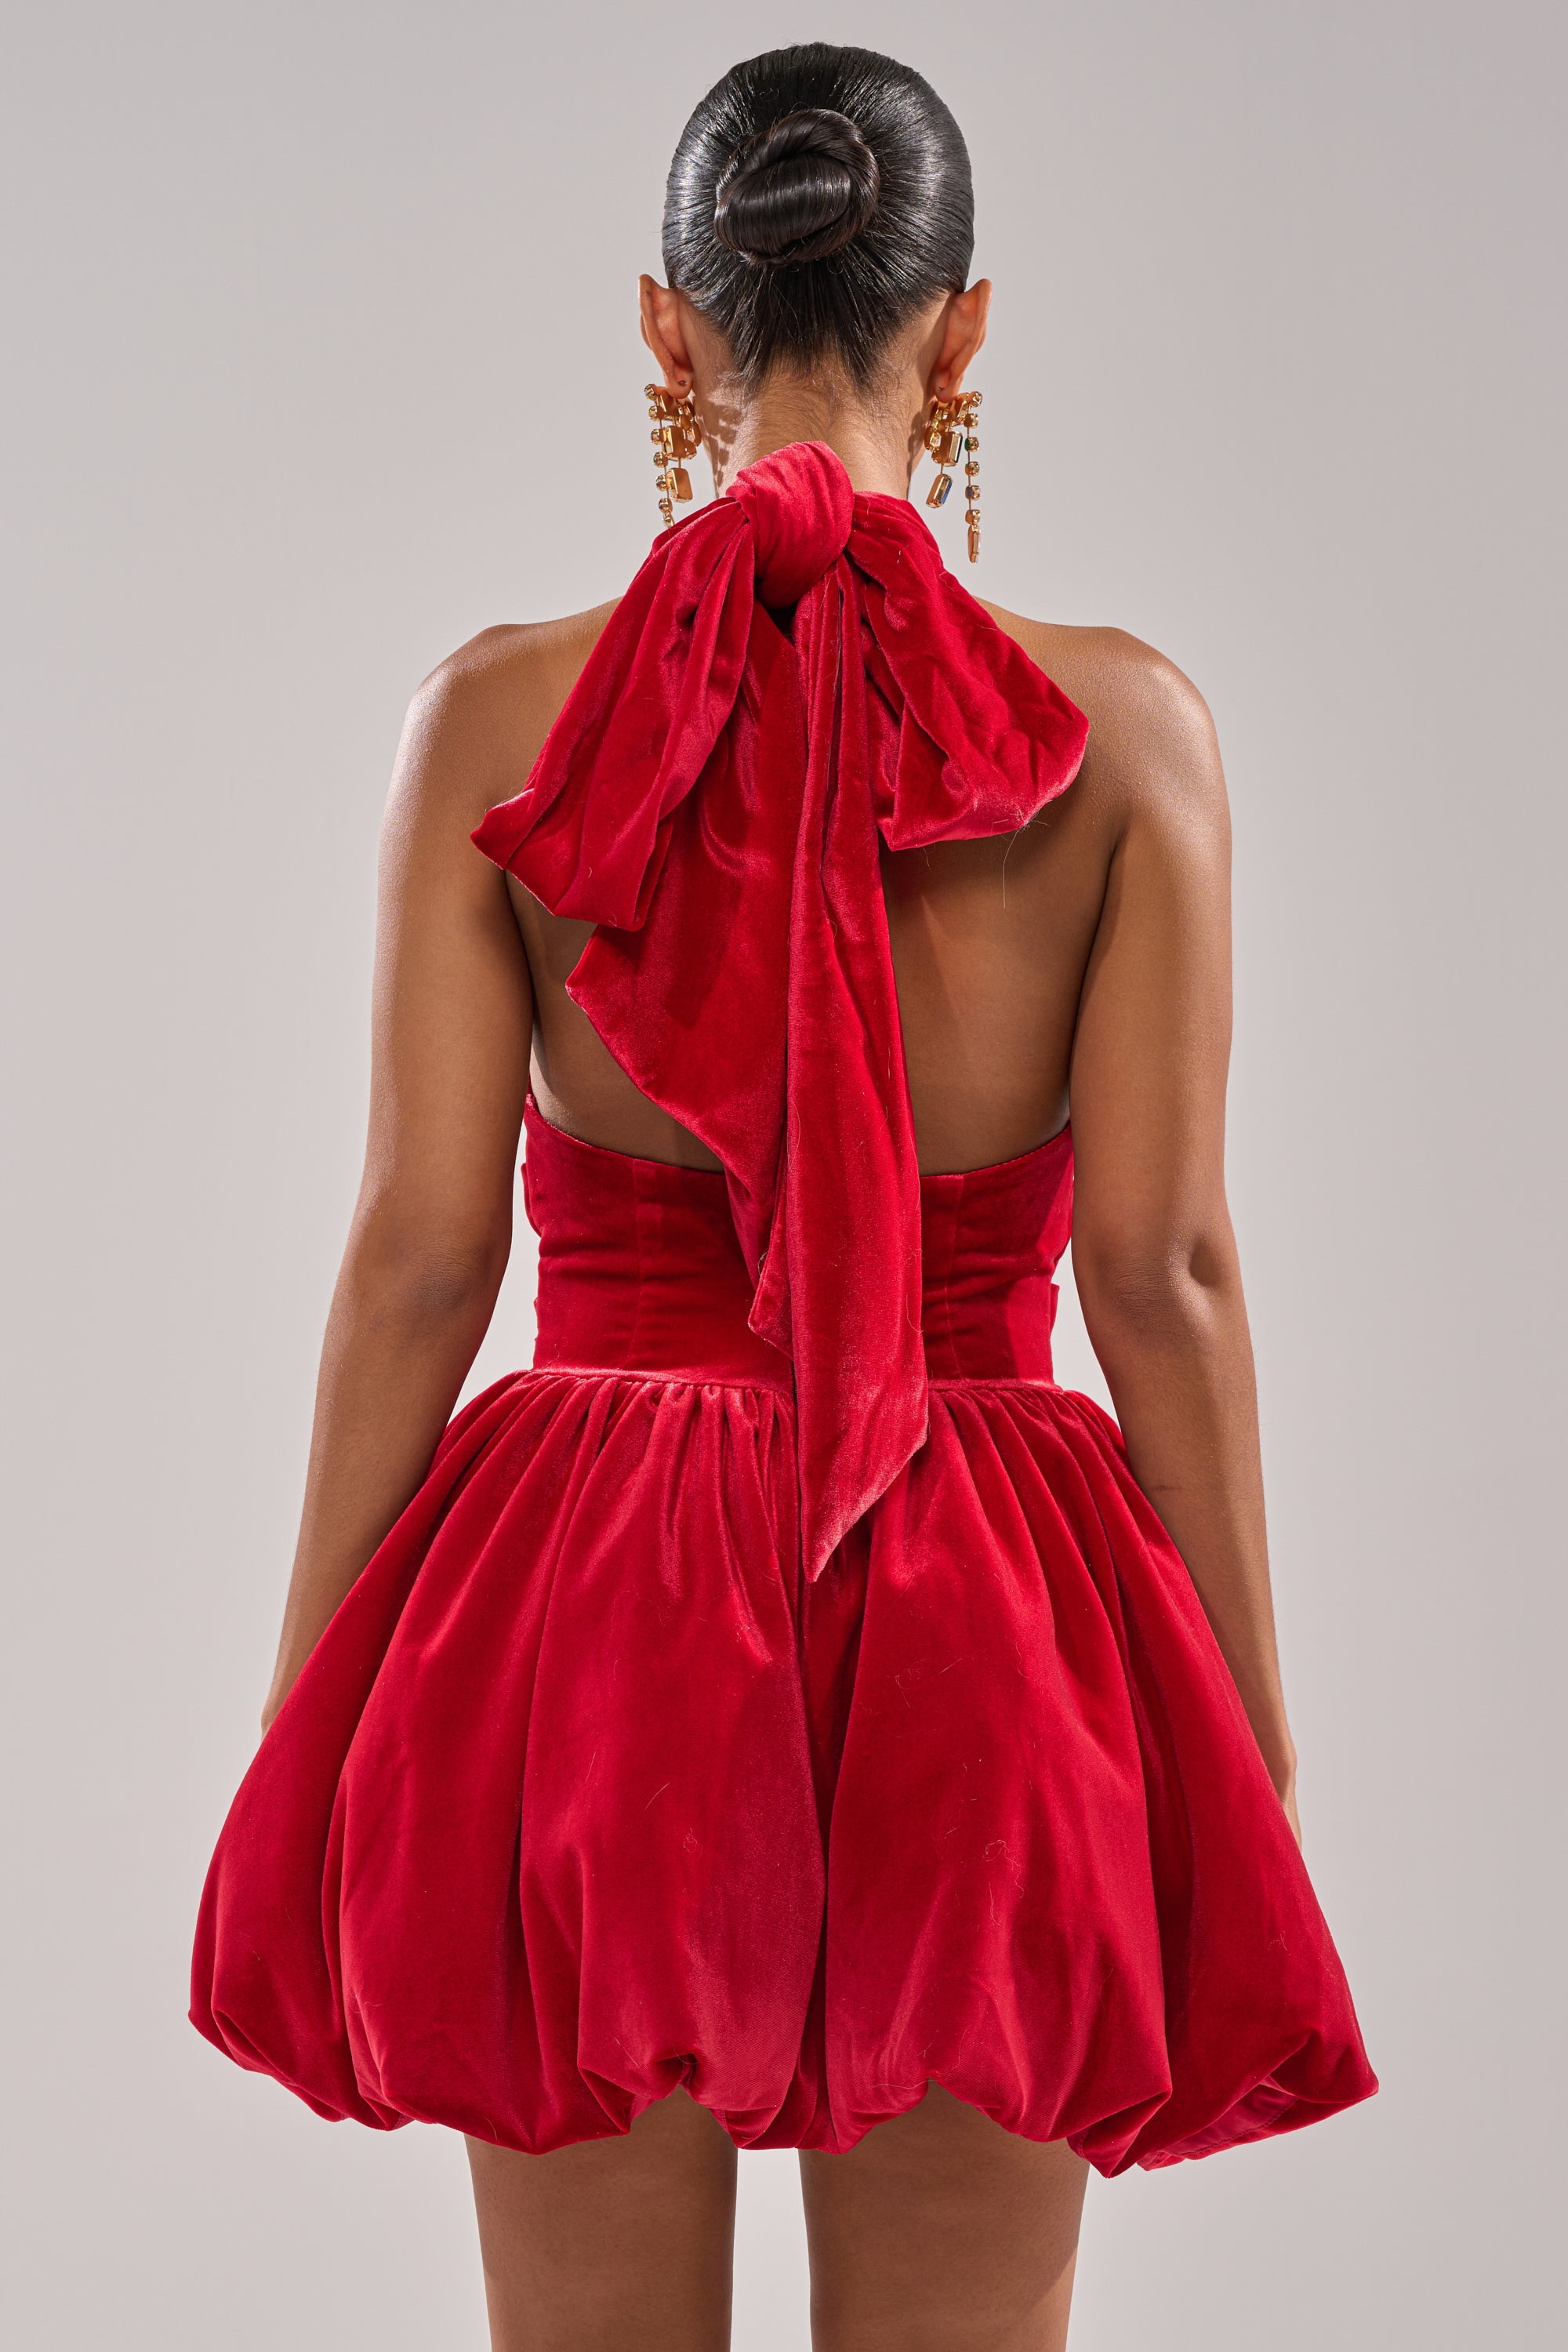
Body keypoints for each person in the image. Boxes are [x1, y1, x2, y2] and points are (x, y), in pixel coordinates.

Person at [191, 42, 1375, 2352]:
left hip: (587, 1616)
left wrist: (311, 1685)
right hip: (989, 1603)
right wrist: (1248, 1705)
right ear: (968, 327)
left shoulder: (492, 724)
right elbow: (1165, 1273)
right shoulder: (1130, 734)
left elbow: (427, 1260)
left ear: (665, 324)